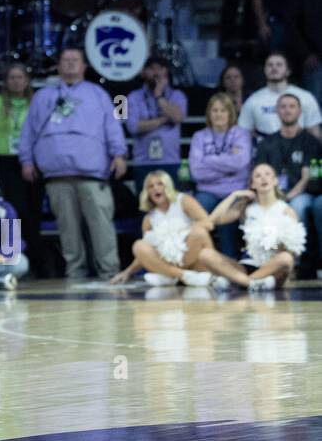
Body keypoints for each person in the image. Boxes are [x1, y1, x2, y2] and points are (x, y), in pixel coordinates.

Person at [18, 46, 128, 280]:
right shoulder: (43, 96)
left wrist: (119, 154)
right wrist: (27, 160)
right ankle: (75, 273)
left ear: (84, 66)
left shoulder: (98, 94)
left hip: (92, 173)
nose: (69, 64)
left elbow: (113, 126)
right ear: (58, 66)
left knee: (101, 226)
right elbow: (28, 131)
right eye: (65, 60)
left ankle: (110, 272)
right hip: (56, 176)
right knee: (68, 230)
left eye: (74, 60)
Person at [0, 62, 47, 276]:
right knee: (18, 211)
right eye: (12, 77)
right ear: (5, 81)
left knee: (34, 212)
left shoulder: (36, 102)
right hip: (7, 163)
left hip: (32, 161)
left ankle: (37, 262)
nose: (16, 81)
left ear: (27, 80)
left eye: (20, 77)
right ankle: (26, 259)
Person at [198, 163, 306, 290]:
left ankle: (240, 282)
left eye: (267, 174)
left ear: (275, 180)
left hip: (273, 267)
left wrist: (278, 244)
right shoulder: (246, 208)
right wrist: (234, 195)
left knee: (286, 259)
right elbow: (212, 221)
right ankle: (250, 283)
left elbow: (293, 250)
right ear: (252, 184)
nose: (263, 178)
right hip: (246, 265)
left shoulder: (287, 210)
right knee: (205, 254)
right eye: (258, 176)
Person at [253, 92, 322, 275]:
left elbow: (306, 177)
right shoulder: (267, 143)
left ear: (300, 111)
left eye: (292, 106)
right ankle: (276, 263)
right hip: (273, 194)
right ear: (277, 111)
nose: (287, 110)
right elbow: (258, 173)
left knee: (299, 206)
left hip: (304, 192)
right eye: (283, 106)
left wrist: (286, 197)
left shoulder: (310, 141)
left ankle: (304, 263)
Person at [108, 170, 216, 286]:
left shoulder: (183, 200)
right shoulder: (149, 219)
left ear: (168, 186)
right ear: (147, 192)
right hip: (168, 262)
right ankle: (183, 275)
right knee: (139, 246)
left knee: (199, 233)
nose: (155, 188)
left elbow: (208, 224)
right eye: (150, 186)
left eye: (160, 184)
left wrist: (181, 231)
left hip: (190, 254)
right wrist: (127, 272)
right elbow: (145, 255)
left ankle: (175, 275)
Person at [188, 91, 254, 256]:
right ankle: (197, 262)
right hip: (207, 191)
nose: (219, 114)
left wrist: (208, 160)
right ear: (209, 113)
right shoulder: (199, 136)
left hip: (235, 191)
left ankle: (229, 266)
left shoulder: (241, 134)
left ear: (230, 112)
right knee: (194, 217)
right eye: (214, 110)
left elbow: (240, 163)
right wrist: (228, 167)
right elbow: (196, 172)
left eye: (223, 110)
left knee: (228, 227)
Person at [124, 57, 187, 194]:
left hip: (170, 162)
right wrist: (163, 120)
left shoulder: (178, 96)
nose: (156, 72)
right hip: (143, 163)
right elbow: (133, 127)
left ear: (167, 72)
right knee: (145, 207)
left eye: (160, 68)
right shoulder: (133, 97)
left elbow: (177, 117)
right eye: (152, 68)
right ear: (143, 72)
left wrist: (159, 97)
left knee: (172, 208)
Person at [239, 51, 322, 139]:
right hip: (266, 150)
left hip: (299, 148)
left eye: (279, 65)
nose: (274, 68)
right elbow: (243, 132)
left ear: (288, 71)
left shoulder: (305, 97)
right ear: (264, 70)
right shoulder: (253, 100)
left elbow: (314, 131)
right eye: (270, 65)